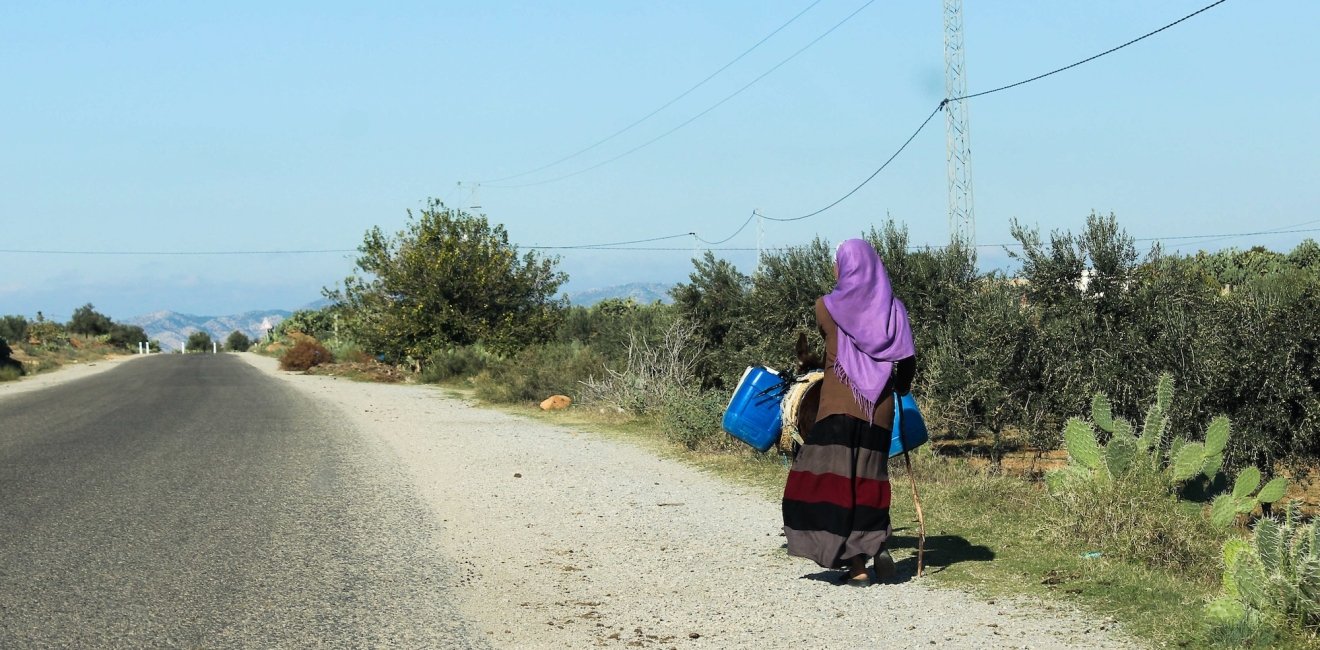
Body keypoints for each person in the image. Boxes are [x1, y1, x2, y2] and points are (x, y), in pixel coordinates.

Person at [782, 238, 917, 587]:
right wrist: (899, 388)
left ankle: (857, 566)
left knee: (830, 484)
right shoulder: (896, 309)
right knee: (869, 479)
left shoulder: (825, 307)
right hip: (880, 409)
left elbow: (831, 341)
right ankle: (875, 540)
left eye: (837, 262)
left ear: (845, 266)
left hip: (839, 405)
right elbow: (907, 362)